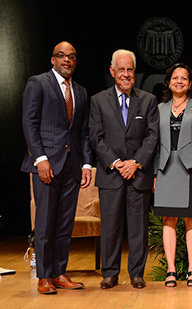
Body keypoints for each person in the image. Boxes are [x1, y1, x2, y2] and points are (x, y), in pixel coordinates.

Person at [21, 41, 93, 294]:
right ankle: (43, 276)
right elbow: (30, 124)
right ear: (53, 59)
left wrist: (86, 163)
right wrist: (39, 159)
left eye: (71, 57)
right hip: (46, 166)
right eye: (61, 56)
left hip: (72, 166)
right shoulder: (38, 83)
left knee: (64, 224)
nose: (66, 60)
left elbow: (83, 132)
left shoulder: (81, 92)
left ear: (75, 62)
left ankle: (59, 272)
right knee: (45, 223)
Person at [89, 49, 159, 289]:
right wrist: (117, 163)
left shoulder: (148, 100)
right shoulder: (98, 100)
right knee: (110, 227)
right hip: (111, 174)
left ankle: (137, 273)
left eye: (130, 69)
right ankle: (109, 273)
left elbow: (152, 137)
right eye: (121, 70)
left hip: (138, 175)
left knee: (138, 227)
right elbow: (96, 138)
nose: (126, 74)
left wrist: (136, 163)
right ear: (112, 72)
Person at [153, 63, 192, 287]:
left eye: (184, 78)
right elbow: (156, 145)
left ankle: (191, 269)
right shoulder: (159, 109)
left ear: (190, 83)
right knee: (168, 220)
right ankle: (171, 270)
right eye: (175, 78)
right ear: (169, 82)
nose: (179, 81)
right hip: (166, 169)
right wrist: (154, 174)